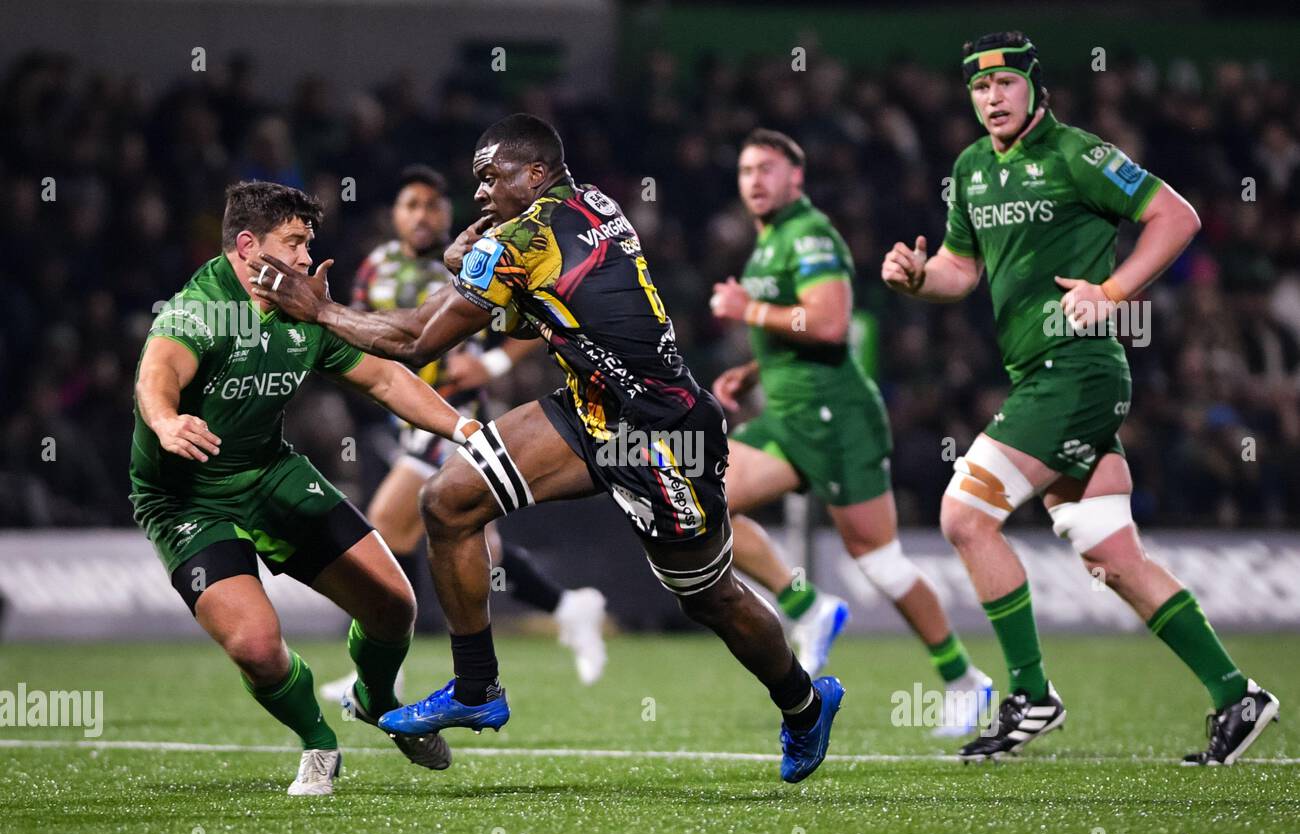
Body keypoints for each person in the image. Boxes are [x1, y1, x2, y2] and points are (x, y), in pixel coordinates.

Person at [251, 114, 845, 783]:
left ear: (535, 173)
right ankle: (477, 688)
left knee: (710, 598)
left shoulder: (525, 237)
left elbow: (418, 341)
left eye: (490, 176)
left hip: (659, 433)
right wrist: (468, 268)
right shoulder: (590, 202)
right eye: (475, 179)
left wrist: (321, 309)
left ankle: (803, 703)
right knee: (448, 500)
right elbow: (537, 306)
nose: (478, 192)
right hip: (591, 410)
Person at [881, 32, 1279, 763]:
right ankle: (1236, 694)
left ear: (1035, 87)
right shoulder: (971, 168)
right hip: (1042, 375)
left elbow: (1177, 217)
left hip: (1079, 370)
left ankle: (1031, 694)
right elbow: (959, 271)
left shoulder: (1076, 155)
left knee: (964, 517)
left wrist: (1115, 289)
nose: (991, 99)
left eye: (1005, 85)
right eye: (978, 88)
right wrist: (916, 277)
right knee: (1113, 556)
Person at [131, 180, 478, 794]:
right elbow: (158, 370)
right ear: (246, 246)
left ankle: (375, 698)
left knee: (394, 607)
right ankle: (319, 742)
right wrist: (164, 419)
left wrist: (463, 428)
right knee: (259, 648)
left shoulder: (302, 307)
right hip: (188, 498)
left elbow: (386, 382)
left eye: (306, 242)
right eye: (292, 244)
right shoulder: (202, 309)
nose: (303, 258)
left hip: (270, 472)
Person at [710, 128, 991, 736]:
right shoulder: (771, 243)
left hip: (838, 421)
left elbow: (832, 324)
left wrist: (748, 311)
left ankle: (966, 679)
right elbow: (801, 325)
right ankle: (808, 608)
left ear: (796, 178)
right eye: (746, 170)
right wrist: (757, 366)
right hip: (789, 415)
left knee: (881, 563)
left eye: (767, 168)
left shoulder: (808, 234)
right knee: (701, 498)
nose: (755, 180)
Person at [316, 165, 607, 701]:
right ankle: (570, 607)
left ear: (449, 214)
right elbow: (358, 333)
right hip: (406, 418)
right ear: (395, 214)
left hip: (455, 413)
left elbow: (538, 313)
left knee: (385, 526)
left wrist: (492, 366)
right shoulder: (376, 268)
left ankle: (384, 672)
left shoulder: (479, 256)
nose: (422, 215)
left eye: (433, 205)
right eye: (411, 205)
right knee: (479, 544)